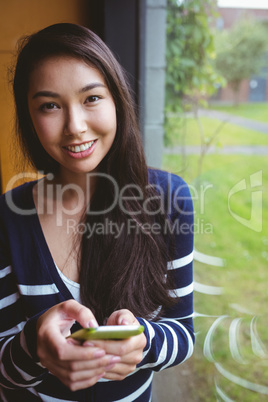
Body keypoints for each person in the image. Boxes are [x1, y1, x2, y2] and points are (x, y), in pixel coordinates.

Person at [0, 23, 194, 401]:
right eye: (50, 106)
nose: (75, 127)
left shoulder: (171, 200)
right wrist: (32, 346)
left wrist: (145, 343)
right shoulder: (8, 218)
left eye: (91, 98)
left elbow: (183, 334)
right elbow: (4, 372)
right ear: (30, 117)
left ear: (117, 100)